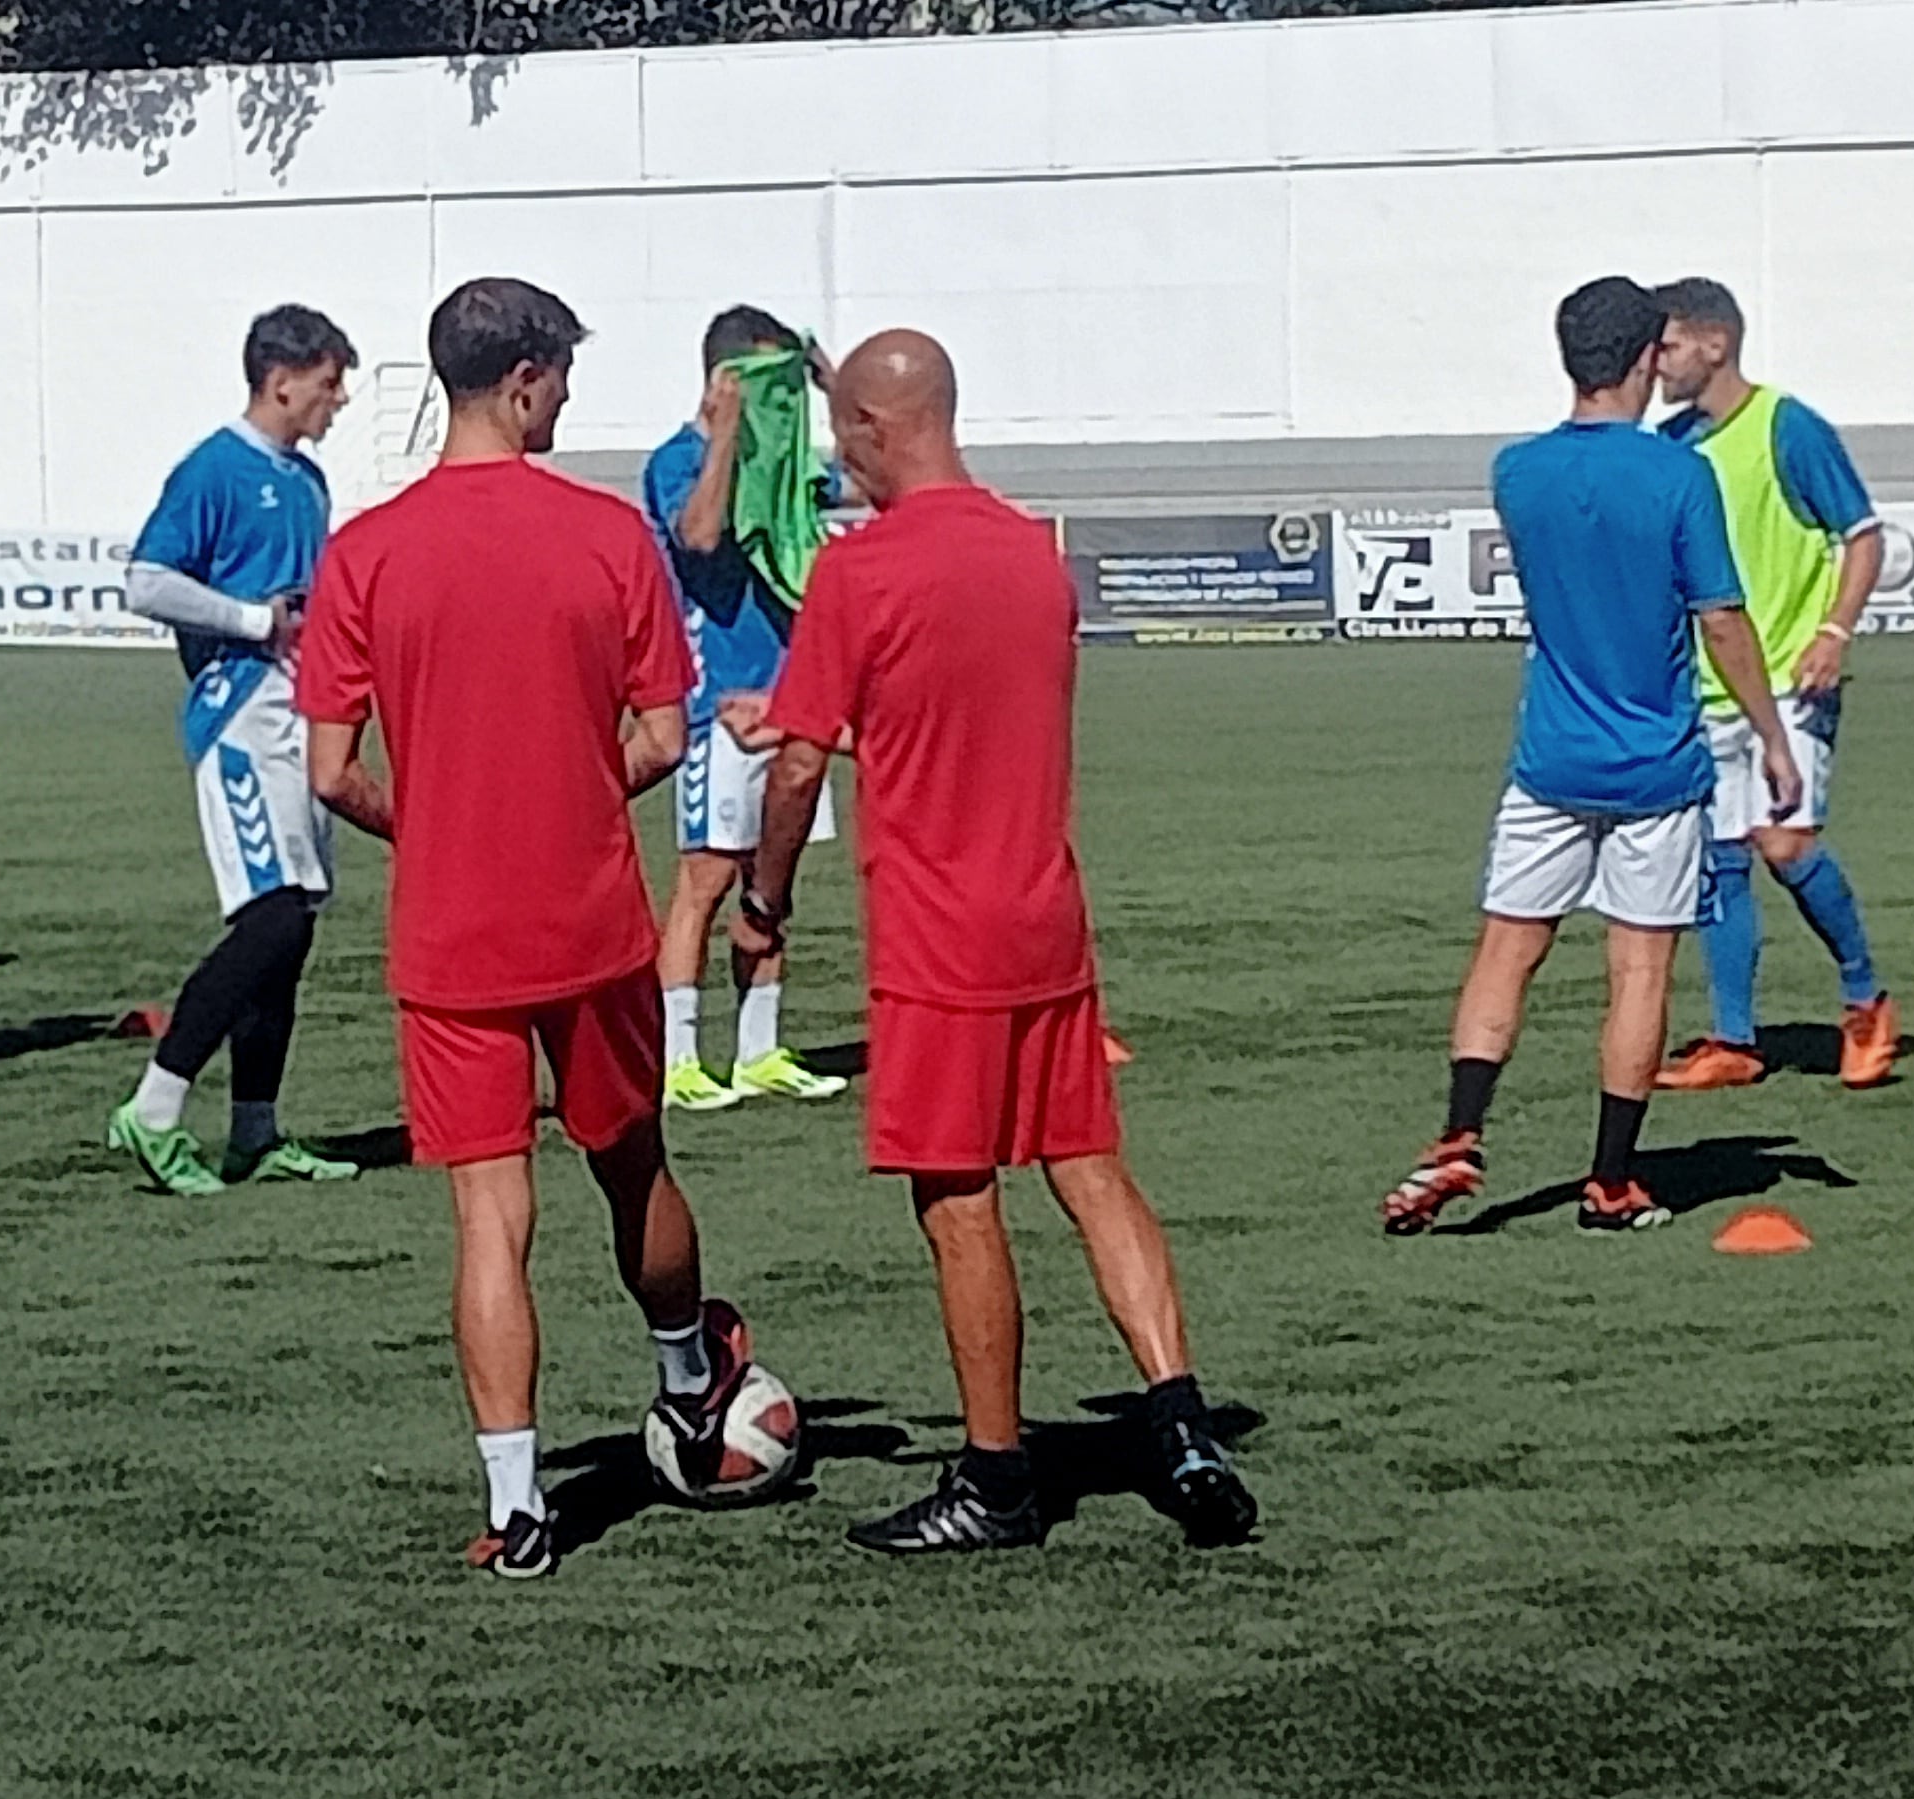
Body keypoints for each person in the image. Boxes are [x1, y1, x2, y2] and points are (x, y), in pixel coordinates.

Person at [734, 329, 1253, 1552]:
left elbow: (804, 768)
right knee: (1087, 1165)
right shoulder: (1034, 557)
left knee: (958, 1197)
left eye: (843, 435)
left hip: (935, 937)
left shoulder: (858, 576)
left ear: (867, 426)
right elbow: (953, 726)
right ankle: (1179, 1421)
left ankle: (997, 1476)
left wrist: (764, 905)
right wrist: (826, 724)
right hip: (1045, 918)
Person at [296, 276, 759, 1582]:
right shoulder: (609, 537)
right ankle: (685, 1384)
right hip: (591, 925)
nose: (566, 399)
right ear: (524, 380)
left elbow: (331, 773)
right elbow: (666, 736)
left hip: (450, 932)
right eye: (562, 379)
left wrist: (437, 818)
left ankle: (518, 1508)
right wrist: (561, 792)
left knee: (489, 1219)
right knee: (632, 1164)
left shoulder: (365, 554)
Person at [1384, 276, 1801, 1237]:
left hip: (1551, 759)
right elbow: (1722, 620)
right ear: (1649, 357)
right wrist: (1773, 736)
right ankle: (1610, 1182)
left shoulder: (1517, 472)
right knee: (1639, 972)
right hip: (1655, 766)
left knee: (1506, 950)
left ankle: (1458, 1134)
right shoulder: (1676, 474)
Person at [107, 303, 365, 1195]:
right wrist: (254, 621)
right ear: (281, 378)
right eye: (328, 385)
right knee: (272, 918)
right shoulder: (216, 468)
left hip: (299, 717)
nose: (335, 403)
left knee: (292, 934)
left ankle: (255, 1127)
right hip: (240, 722)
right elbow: (145, 580)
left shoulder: (309, 480)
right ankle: (153, 1107)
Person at [1645, 279, 1902, 1093]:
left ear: (1715, 344)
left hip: (1792, 676)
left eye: (1669, 345)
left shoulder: (1786, 426)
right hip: (1707, 686)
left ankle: (1865, 999)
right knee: (1720, 861)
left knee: (1784, 844)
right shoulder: (1671, 441)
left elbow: (1861, 536)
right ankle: (1734, 1041)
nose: (1656, 364)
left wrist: (1833, 632)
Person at [643, 305, 847, 1113]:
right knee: (706, 879)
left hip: (786, 700)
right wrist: (727, 432)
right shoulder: (679, 458)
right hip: (713, 707)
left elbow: (862, 482)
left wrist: (830, 389)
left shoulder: (780, 462)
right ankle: (679, 1056)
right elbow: (697, 535)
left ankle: (759, 1049)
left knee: (774, 880)